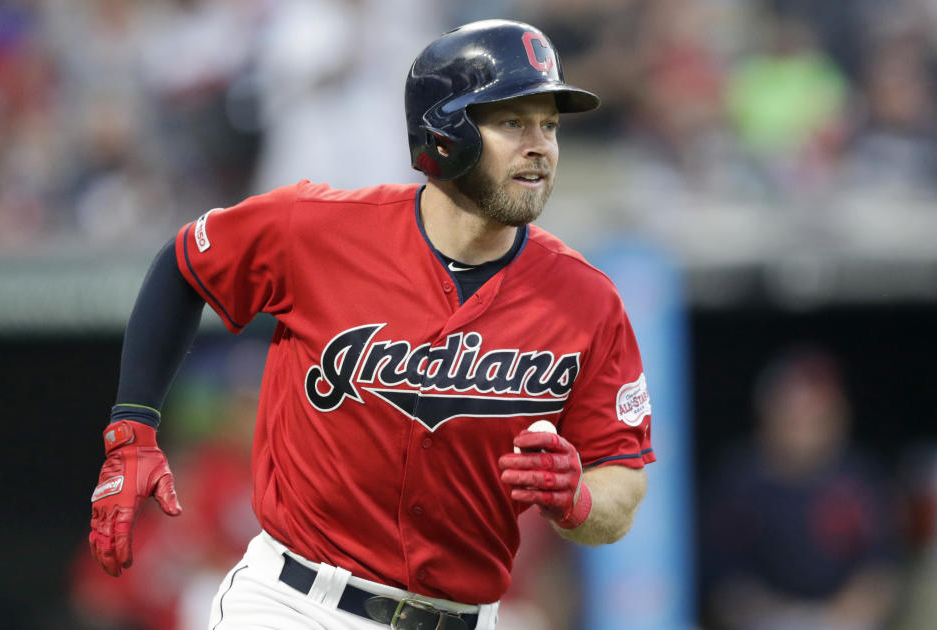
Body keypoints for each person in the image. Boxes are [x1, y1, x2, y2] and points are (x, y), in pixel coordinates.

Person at [88, 19, 654, 630]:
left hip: (464, 616)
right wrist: (133, 428)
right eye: (513, 122)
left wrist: (578, 500)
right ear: (444, 133)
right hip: (295, 604)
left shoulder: (586, 300)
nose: (540, 144)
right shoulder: (315, 229)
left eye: (549, 124)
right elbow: (183, 264)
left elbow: (621, 485)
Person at [701, 347, 898, 630]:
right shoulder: (739, 479)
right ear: (768, 414)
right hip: (764, 619)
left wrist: (838, 618)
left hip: (844, 621)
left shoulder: (860, 478)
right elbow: (724, 579)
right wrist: (782, 618)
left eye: (816, 416)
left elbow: (881, 566)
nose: (803, 426)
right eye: (793, 413)